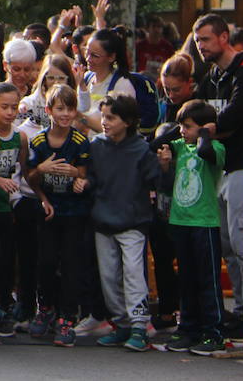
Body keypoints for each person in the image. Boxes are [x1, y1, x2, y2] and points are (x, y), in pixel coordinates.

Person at [191, 12, 243, 336]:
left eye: (206, 39)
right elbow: (200, 112)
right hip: (219, 167)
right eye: (197, 41)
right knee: (227, 244)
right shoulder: (212, 76)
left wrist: (209, 129)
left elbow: (235, 115)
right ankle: (241, 309)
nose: (201, 47)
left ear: (224, 37)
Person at [84, 94, 161, 352]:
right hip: (103, 220)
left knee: (133, 274)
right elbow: (93, 178)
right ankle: (121, 323)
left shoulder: (141, 149)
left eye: (111, 117)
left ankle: (139, 325)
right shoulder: (97, 146)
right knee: (108, 277)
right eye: (103, 116)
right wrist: (83, 182)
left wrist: (164, 166)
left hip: (133, 222)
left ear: (128, 121)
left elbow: (156, 181)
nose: (104, 122)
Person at [153, 99, 226, 356]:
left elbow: (206, 153)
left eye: (189, 126)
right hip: (180, 220)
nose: (183, 131)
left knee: (208, 279)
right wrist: (179, 128)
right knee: (187, 279)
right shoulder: (179, 146)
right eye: (182, 126)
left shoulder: (215, 147)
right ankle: (189, 328)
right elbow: (155, 145)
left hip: (204, 222)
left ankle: (214, 331)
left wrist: (206, 133)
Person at [25, 83, 91, 347]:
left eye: (70, 109)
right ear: (49, 110)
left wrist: (78, 177)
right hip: (49, 210)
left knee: (72, 264)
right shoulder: (38, 141)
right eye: (60, 109)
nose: (65, 114)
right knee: (46, 262)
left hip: (74, 211)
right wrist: (41, 172)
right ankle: (45, 308)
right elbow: (29, 177)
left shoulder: (80, 141)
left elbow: (85, 173)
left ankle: (67, 317)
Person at [0, 82, 27, 342]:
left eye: (14, 107)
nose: (10, 112)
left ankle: (0, 305)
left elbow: (22, 172)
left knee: (7, 258)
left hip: (5, 207)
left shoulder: (19, 137)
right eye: (5, 107)